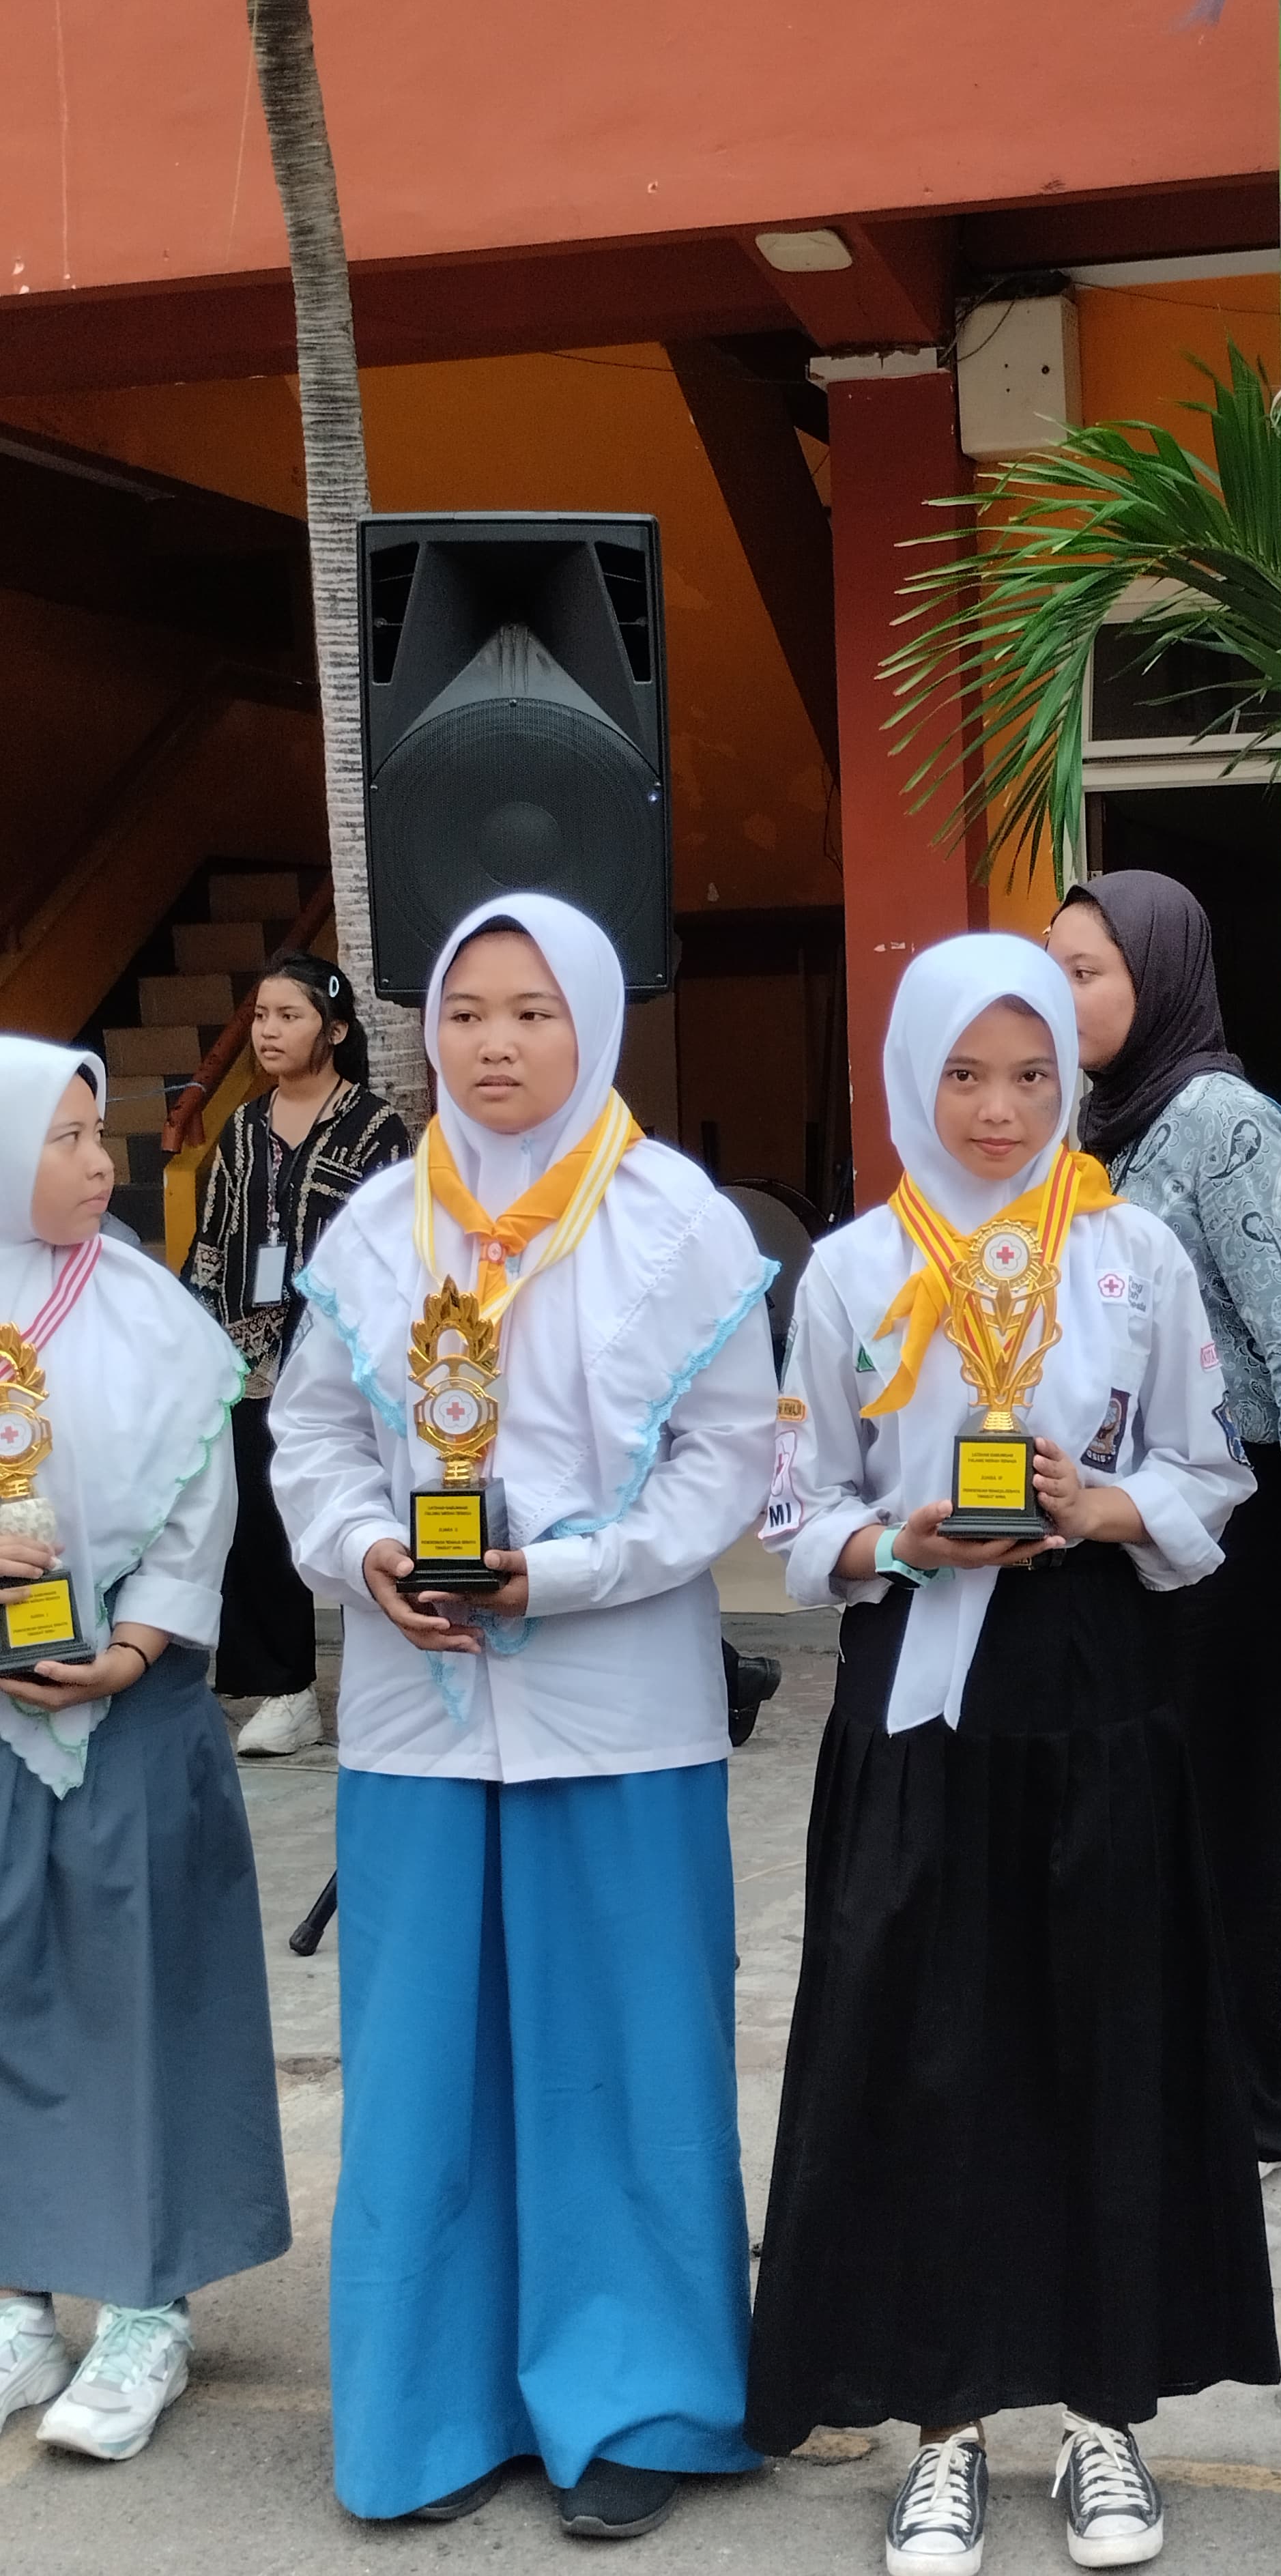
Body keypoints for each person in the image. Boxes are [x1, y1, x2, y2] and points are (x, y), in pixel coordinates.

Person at [747, 934, 1274, 2576]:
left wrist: (1110, 1506)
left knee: (1102, 2042)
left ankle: (1103, 2415)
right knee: (929, 2055)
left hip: (1095, 1689)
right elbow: (791, 1512)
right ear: (913, 1072)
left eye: (1031, 1073)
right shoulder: (847, 1266)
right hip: (918, 1700)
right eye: (966, 1073)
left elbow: (1208, 1469)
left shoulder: (1129, 1254)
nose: (996, 1106)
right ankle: (944, 2424)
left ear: (1072, 1079)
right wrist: (886, 1538)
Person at [267, 893, 776, 2539]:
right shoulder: (376, 1227)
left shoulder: (671, 1221)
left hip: (617, 1708)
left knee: (623, 2059)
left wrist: (561, 1574)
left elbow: (725, 1464)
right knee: (422, 2060)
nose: (492, 1041)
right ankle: (434, 2397)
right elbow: (315, 1440)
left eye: (531, 1010)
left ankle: (642, 2397)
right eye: (465, 1009)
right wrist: (361, 1553)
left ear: (594, 1025)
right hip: (420, 1720)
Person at [0, 1036, 289, 2463]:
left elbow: (202, 1506)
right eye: (58, 1136)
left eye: (96, 1130)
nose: (94, 1160)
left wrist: (137, 1641)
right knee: (12, 1997)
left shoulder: (150, 1314)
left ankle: (146, 2306)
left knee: (138, 1989)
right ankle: (16, 2299)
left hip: (130, 1706)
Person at [1048, 872, 1281, 2164]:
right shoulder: (1092, 1124)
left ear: (1155, 976)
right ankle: (1170, 2084)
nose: (1063, 996)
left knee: (1235, 1812)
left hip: (1251, 1522)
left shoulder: (1218, 1117)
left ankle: (1259, 2103)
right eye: (1051, 969)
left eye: (1087, 971)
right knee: (1147, 1808)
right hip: (1139, 1517)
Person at [182, 956, 409, 1755]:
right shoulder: (241, 1128)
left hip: (340, 1354)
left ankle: (396, 1673)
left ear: (335, 1031)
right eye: (262, 1017)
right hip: (250, 1359)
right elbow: (212, 1245)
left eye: (289, 1016)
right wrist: (198, 1338)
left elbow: (394, 1249)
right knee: (255, 1522)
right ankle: (284, 1688)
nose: (269, 1031)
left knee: (350, 1514)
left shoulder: (378, 1127)